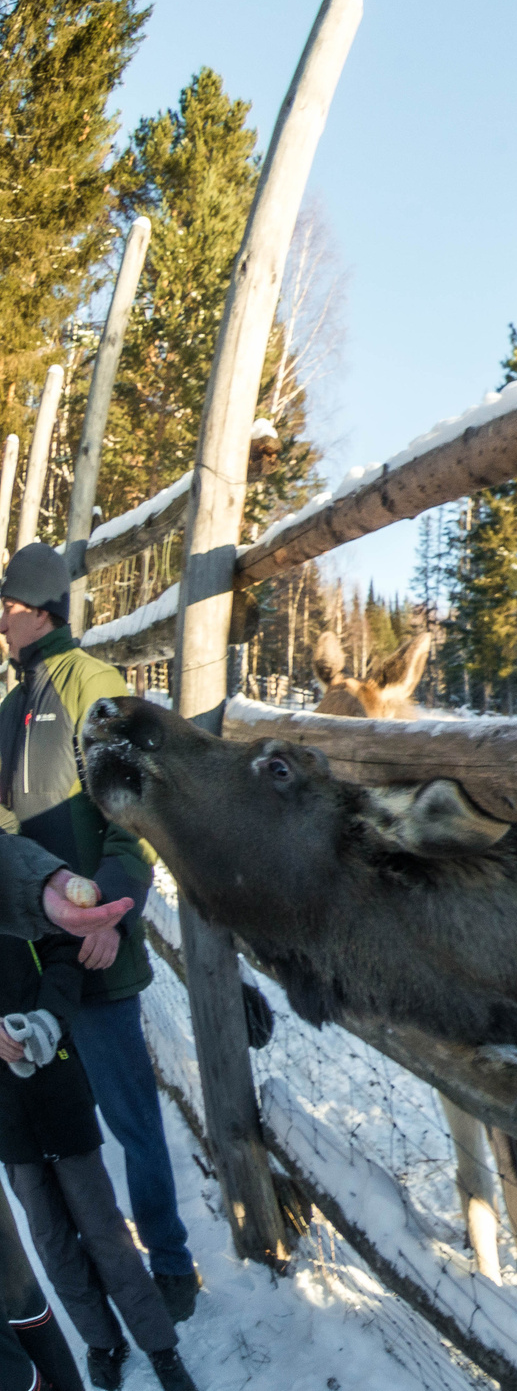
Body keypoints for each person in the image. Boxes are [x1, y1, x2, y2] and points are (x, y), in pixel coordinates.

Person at [0, 545, 197, 1323]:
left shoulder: (93, 684)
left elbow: (135, 807)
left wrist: (113, 913)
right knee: (66, 1132)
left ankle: (172, 1262)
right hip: (36, 957)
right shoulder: (10, 706)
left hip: (96, 949)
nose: (0, 618)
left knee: (131, 1119)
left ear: (37, 609)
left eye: (7, 605)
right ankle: (102, 1272)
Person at [0, 923, 194, 1389]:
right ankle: (102, 1340)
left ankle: (159, 1345)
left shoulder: (16, 883)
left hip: (55, 1077)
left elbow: (67, 950)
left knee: (102, 1226)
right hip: (6, 1113)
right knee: (50, 1238)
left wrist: (48, 1018)